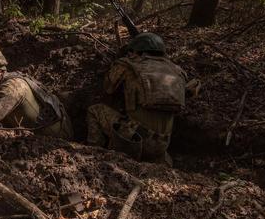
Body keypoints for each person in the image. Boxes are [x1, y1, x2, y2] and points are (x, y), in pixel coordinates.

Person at [86, 33, 200, 165]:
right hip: (162, 145)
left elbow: (108, 88)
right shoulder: (178, 71)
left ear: (135, 51)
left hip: (134, 140)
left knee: (94, 110)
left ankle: (93, 154)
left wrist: (118, 61)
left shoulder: (128, 65)